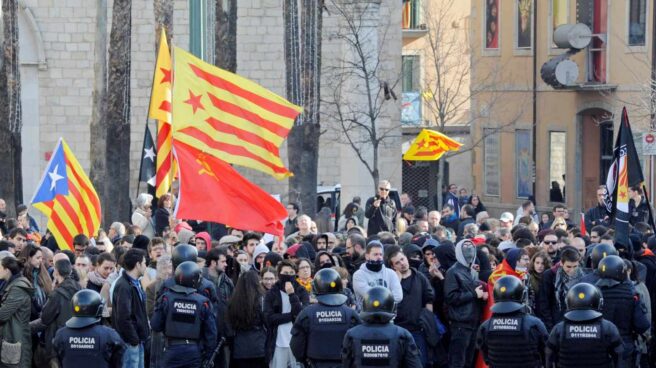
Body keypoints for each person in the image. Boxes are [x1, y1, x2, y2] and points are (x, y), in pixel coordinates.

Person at [151, 261, 217, 368]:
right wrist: (208, 355)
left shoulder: (166, 298)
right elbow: (211, 334)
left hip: (171, 349)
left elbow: (155, 325)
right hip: (193, 351)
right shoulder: (203, 302)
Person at [290, 268, 361, 367]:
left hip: (315, 364)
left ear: (316, 288)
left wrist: (305, 361)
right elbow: (359, 345)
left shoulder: (307, 313)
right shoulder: (350, 314)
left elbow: (296, 346)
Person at [476, 275, 548, 367]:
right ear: (522, 295)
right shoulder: (534, 324)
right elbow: (546, 353)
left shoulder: (485, 327)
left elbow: (486, 357)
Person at [341, 286, 422, 367]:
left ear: (364, 306)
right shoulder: (403, 335)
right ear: (392, 307)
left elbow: (345, 364)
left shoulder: (352, 334)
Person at [547, 283, 624, 367]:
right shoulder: (608, 327)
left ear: (568, 302)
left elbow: (549, 353)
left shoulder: (559, 328)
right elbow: (619, 354)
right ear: (599, 302)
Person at [595, 255, 650, 367]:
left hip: (598, 348)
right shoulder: (631, 293)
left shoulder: (592, 293)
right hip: (624, 349)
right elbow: (642, 325)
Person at [52, 289, 125, 367]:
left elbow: (59, 361)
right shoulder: (110, 335)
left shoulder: (61, 334)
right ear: (98, 309)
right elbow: (118, 360)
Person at [445, 239, 488, 368]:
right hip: (461, 323)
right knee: (458, 362)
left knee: (468, 361)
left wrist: (481, 296)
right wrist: (474, 294)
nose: (469, 250)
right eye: (465, 247)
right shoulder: (453, 272)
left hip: (473, 322)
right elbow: (451, 297)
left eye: (471, 247)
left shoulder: (472, 271)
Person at [34, 258, 81, 366]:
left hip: (57, 342)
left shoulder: (57, 294)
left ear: (56, 271)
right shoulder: (80, 288)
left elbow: (45, 318)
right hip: (75, 340)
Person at [264, 260, 310, 366]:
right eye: (285, 273)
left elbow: (302, 316)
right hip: (278, 342)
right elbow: (269, 318)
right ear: (279, 274)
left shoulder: (301, 291)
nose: (288, 276)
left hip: (297, 341)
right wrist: (292, 316)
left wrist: (292, 295)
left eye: (291, 273)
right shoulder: (272, 293)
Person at [112, 248, 150, 368]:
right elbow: (123, 318)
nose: (145, 266)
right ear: (137, 265)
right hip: (130, 343)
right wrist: (134, 340)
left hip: (136, 341)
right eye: (144, 263)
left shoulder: (135, 283)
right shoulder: (123, 286)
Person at [352, 241, 403, 309]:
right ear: (367, 256)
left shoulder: (391, 273)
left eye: (380, 254)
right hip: (365, 317)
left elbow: (398, 296)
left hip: (387, 316)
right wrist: (388, 296)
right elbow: (370, 296)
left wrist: (381, 299)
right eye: (375, 254)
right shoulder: (358, 275)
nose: (379, 257)